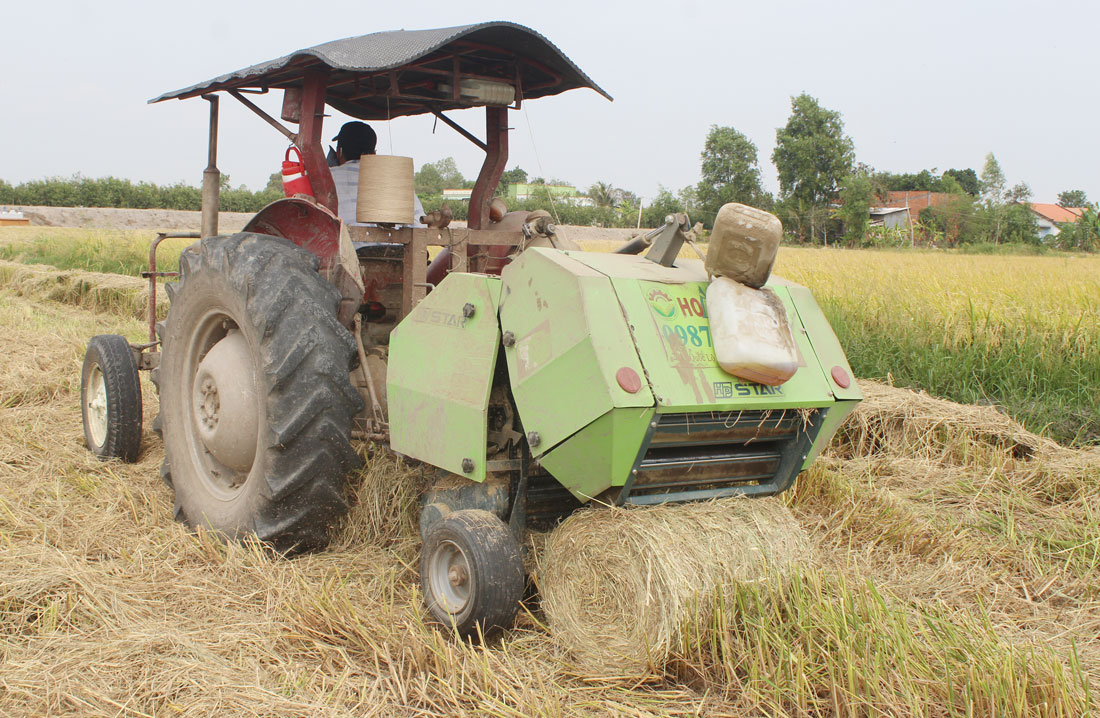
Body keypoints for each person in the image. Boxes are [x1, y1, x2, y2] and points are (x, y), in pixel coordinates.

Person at [329, 121, 425, 228]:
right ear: (374, 154)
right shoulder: (395, 180)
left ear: (339, 152)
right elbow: (420, 226)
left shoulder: (324, 177)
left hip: (343, 244)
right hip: (393, 244)